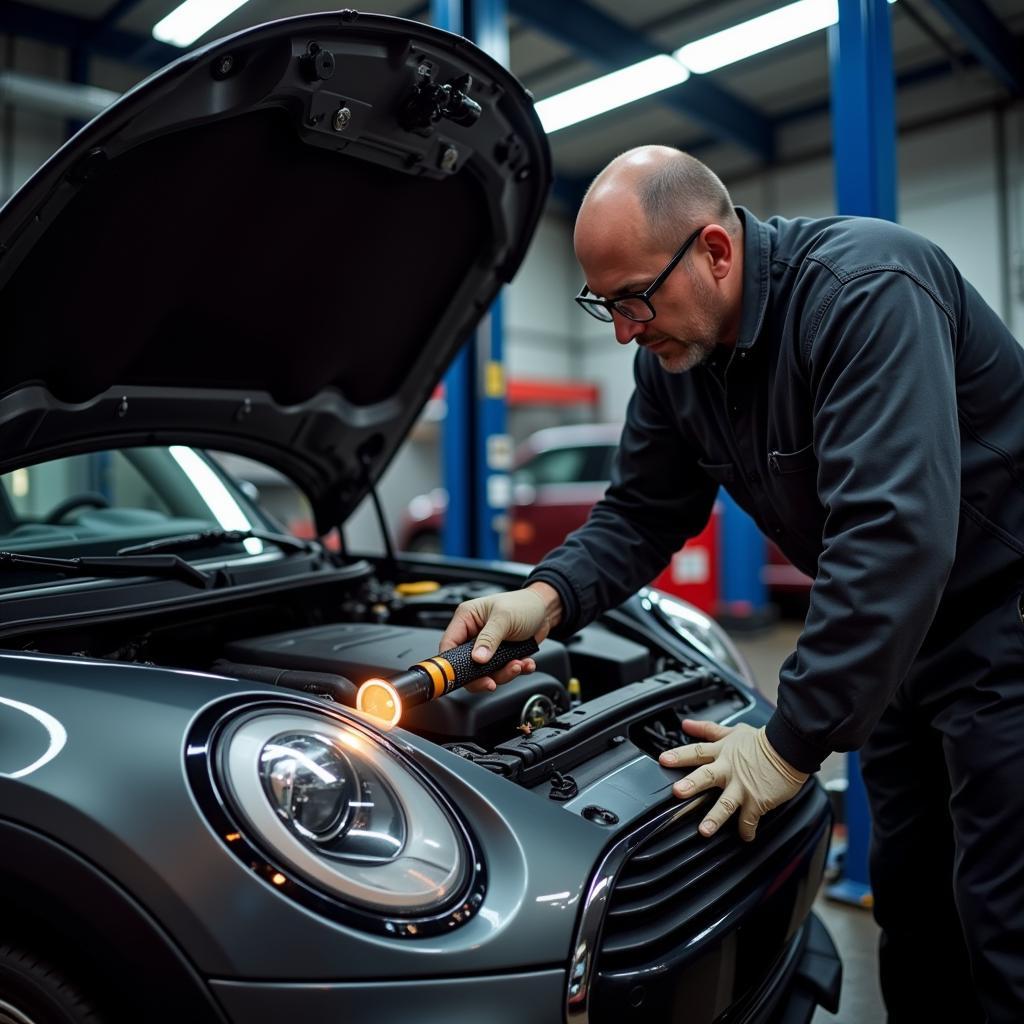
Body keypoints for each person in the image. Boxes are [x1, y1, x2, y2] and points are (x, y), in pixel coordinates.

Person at [439, 145, 1024, 1022]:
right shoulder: (677, 364)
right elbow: (641, 510)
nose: (624, 331)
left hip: (1003, 620)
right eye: (604, 304)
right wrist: (546, 597)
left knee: (1007, 920)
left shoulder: (865, 293)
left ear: (714, 250)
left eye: (635, 297)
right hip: (904, 649)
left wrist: (788, 743)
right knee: (915, 907)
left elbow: (894, 535)